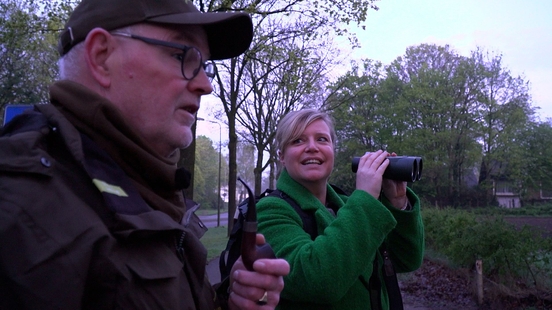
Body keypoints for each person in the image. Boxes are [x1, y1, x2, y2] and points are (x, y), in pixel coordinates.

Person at [0, 0, 289, 309]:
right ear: (102, 57)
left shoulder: (146, 186)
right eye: (182, 55)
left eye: (205, 66)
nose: (205, 86)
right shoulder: (23, 202)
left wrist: (234, 304)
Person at [256, 109, 425, 309]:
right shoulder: (269, 210)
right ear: (282, 156)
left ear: (333, 151)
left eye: (322, 139)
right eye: (298, 141)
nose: (312, 147)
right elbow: (318, 282)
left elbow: (406, 260)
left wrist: (397, 200)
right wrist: (366, 197)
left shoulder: (346, 206)